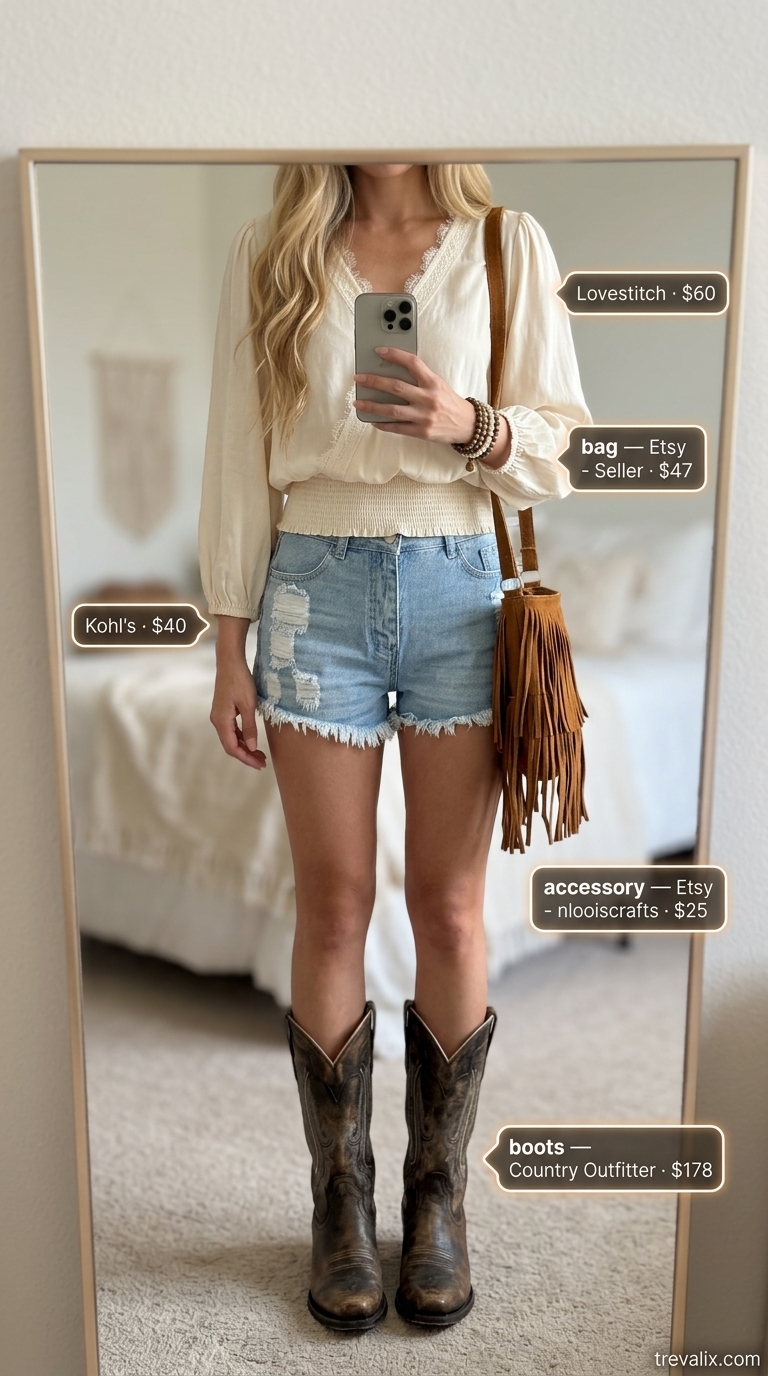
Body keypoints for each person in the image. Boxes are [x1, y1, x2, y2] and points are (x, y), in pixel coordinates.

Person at [199, 162, 590, 1332]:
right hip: (311, 580)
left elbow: (560, 446)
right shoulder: (269, 251)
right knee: (330, 903)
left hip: (460, 583)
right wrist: (229, 641)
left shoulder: (506, 241)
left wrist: (467, 423)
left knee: (453, 905)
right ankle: (339, 1199)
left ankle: (436, 1202)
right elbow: (234, 457)